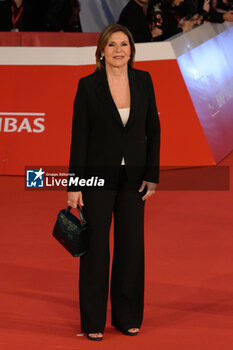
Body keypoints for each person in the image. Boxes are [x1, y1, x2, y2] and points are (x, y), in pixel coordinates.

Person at [67, 23, 160, 341]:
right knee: (95, 249)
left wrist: (152, 174)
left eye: (124, 44)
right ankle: (93, 321)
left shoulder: (144, 80)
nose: (119, 50)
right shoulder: (87, 86)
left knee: (131, 247)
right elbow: (79, 138)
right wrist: (74, 184)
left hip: (134, 178)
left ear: (131, 50)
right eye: (112, 45)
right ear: (101, 52)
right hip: (96, 178)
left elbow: (154, 130)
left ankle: (127, 317)